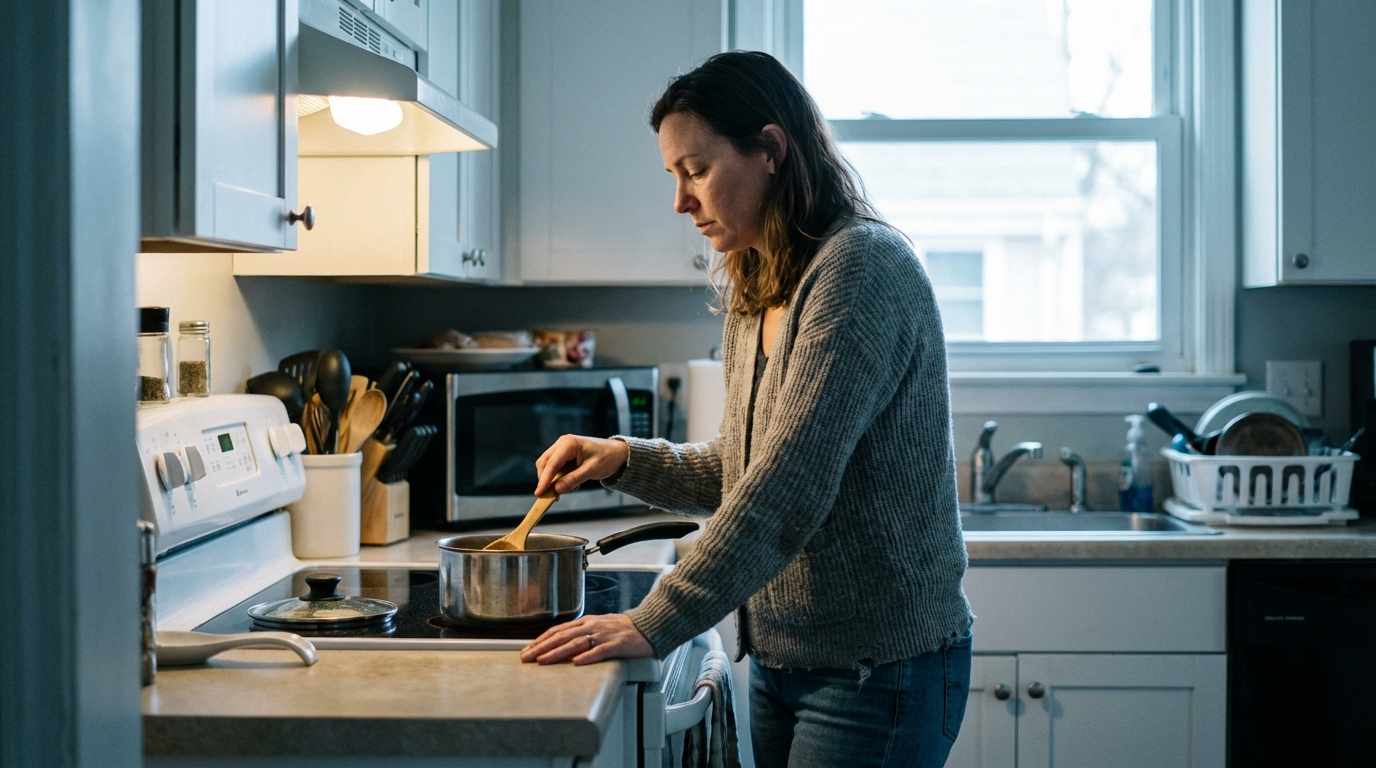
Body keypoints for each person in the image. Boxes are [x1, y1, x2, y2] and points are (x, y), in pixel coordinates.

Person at [519, 51, 973, 767]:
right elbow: (743, 465)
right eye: (673, 175)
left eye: (695, 170)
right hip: (783, 661)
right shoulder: (757, 282)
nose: (680, 201)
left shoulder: (861, 268)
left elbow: (784, 490)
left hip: (878, 668)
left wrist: (656, 620)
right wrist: (622, 459)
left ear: (770, 150)